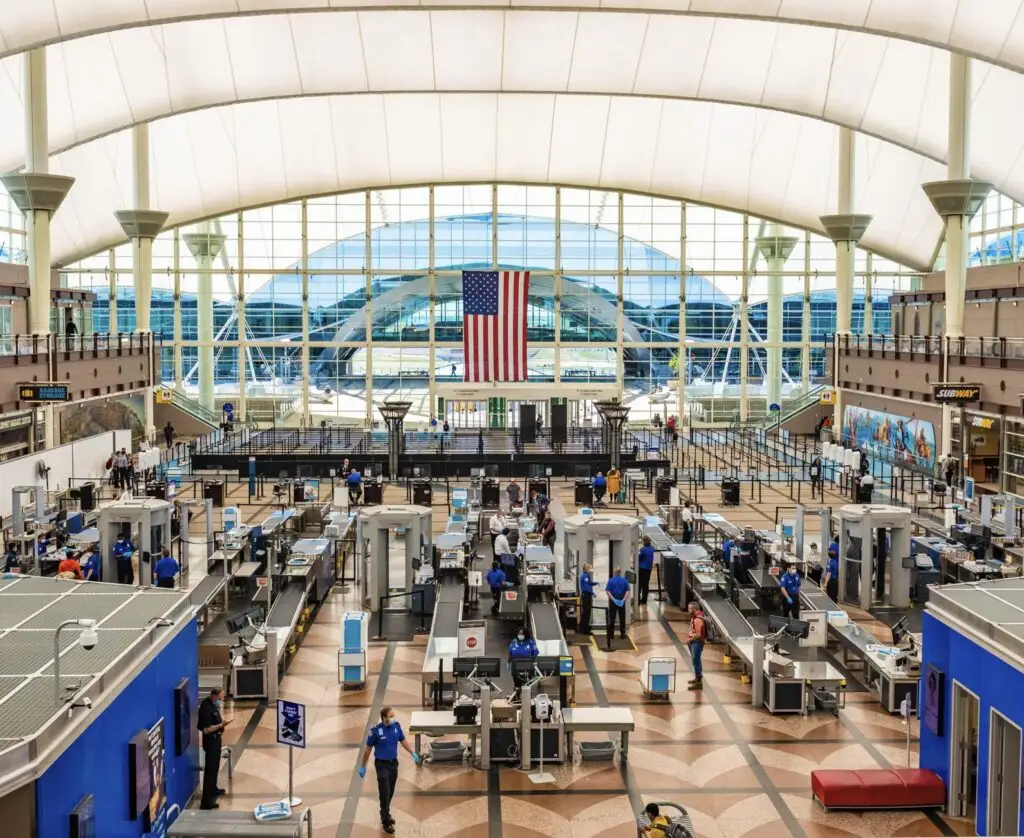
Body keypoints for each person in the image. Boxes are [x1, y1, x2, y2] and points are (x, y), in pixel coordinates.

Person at [358, 708, 422, 834]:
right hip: (381, 765)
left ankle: (385, 812)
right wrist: (363, 766)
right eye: (390, 716)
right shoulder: (375, 731)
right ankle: (385, 821)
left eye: (393, 716)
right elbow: (368, 749)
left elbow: (402, 740)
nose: (393, 718)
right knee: (385, 791)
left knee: (391, 791)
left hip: (393, 764)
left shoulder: (396, 727)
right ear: (384, 718)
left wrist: (412, 752)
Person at [197, 687, 231, 809]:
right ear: (214, 696)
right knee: (210, 771)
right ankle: (206, 802)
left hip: (216, 741)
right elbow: (206, 730)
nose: (222, 699)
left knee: (215, 767)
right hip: (211, 743)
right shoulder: (205, 707)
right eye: (221, 697)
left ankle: (213, 789)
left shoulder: (212, 705)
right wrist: (221, 725)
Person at [604, 567, 630, 649]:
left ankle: (611, 634)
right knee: (622, 618)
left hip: (613, 602)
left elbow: (607, 591)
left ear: (615, 572)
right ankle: (623, 634)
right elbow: (628, 591)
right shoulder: (624, 581)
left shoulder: (611, 580)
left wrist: (613, 599)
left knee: (612, 617)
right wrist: (623, 600)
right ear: (620, 572)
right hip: (621, 601)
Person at [688, 601, 707, 691]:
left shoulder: (698, 619)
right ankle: (697, 677)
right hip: (694, 642)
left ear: (695, 609)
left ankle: (699, 682)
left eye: (690, 608)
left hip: (697, 642)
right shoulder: (694, 617)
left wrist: (689, 640)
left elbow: (698, 635)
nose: (688, 610)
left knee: (696, 660)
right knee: (695, 661)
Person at [637, 535, 655, 606]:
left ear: (644, 541)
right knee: (646, 584)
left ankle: (638, 599)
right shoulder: (652, 548)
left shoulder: (642, 550)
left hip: (642, 569)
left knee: (639, 584)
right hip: (648, 569)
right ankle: (644, 600)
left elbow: (638, 557)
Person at [579, 562, 596, 634]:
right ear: (586, 568)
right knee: (587, 612)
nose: (591, 569)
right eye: (590, 568)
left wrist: (595, 583)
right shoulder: (584, 576)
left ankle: (584, 628)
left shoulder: (587, 575)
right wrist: (592, 592)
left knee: (586, 612)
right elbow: (586, 587)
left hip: (587, 594)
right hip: (586, 595)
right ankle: (585, 630)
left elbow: (589, 584)